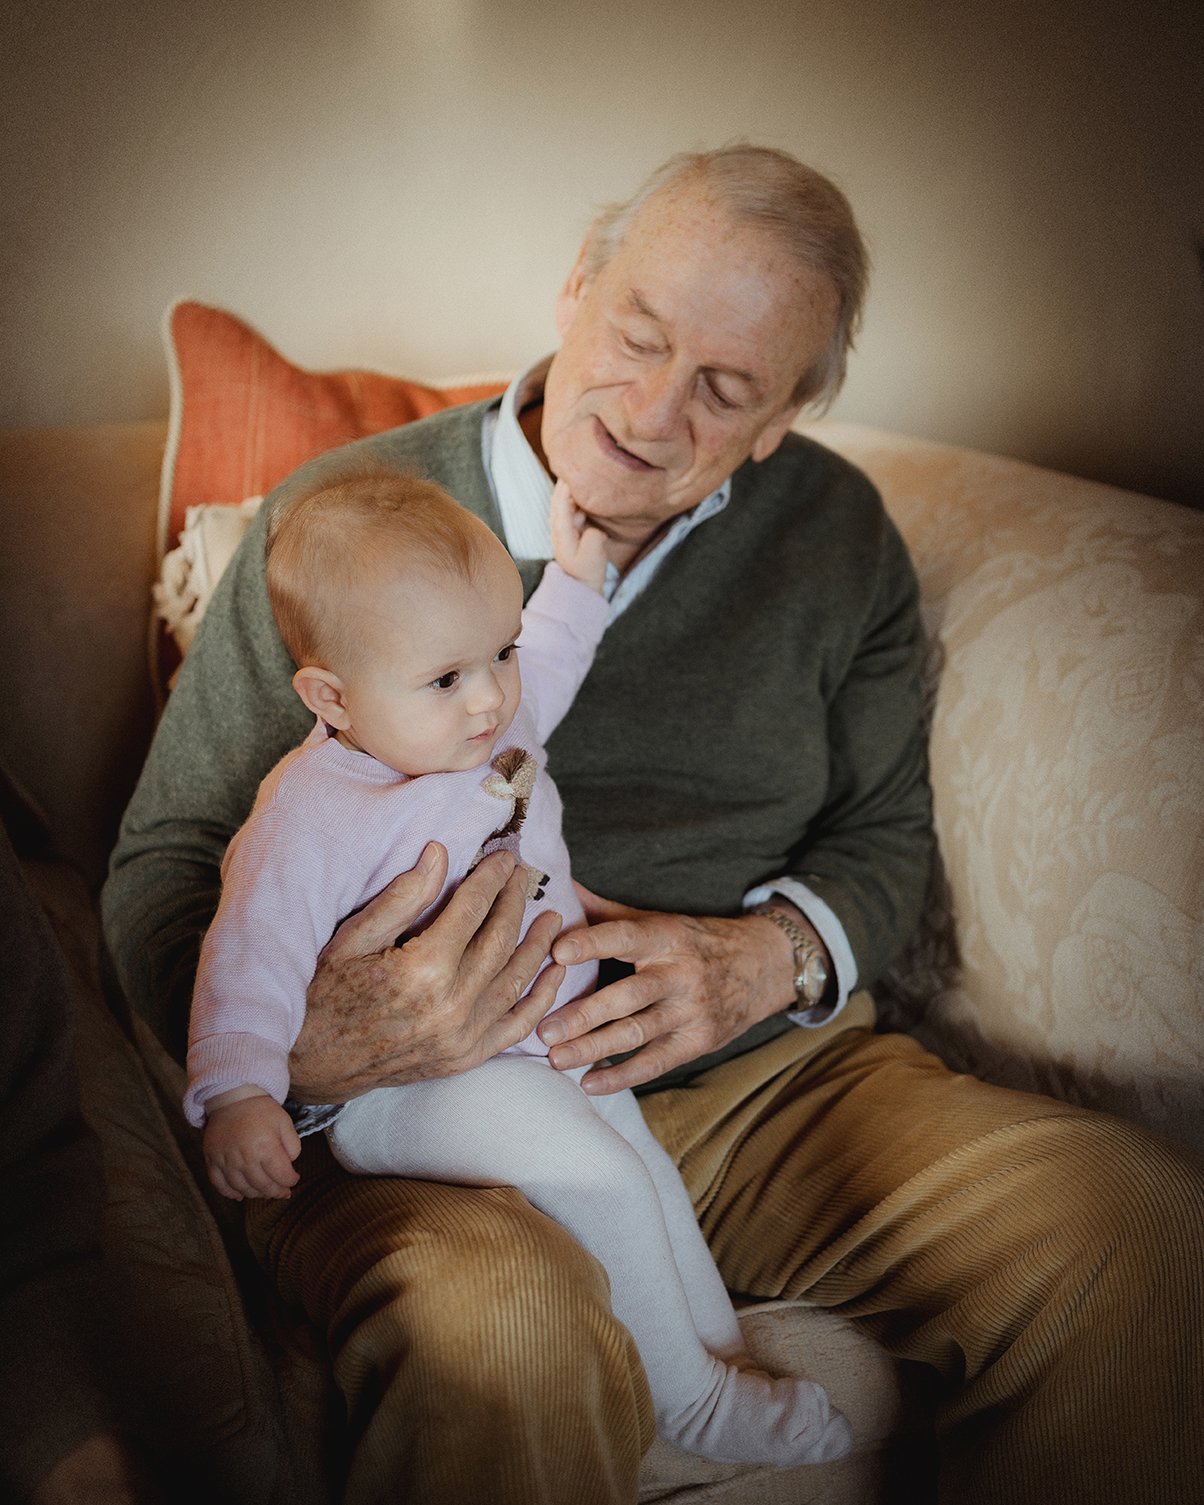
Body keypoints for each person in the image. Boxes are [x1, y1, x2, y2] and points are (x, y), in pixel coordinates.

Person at [102, 145, 1204, 1505]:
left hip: (756, 1086)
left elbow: (881, 846)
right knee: (501, 1338)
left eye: (727, 389)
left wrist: (767, 960)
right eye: (636, 336)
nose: (652, 406)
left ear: (784, 415)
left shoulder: (835, 536)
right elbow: (159, 867)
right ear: (575, 290)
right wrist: (327, 1046)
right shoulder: (338, 532)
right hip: (430, 1106)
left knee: (1133, 1230)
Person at [184, 467, 851, 1467]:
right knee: (604, 1179)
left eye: (495, 653)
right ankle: (698, 1402)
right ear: (332, 695)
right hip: (415, 1085)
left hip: (548, 1038)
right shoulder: (313, 813)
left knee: (646, 1175)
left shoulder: (486, 718)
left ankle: (714, 1355)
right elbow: (250, 952)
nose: (493, 694)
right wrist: (240, 1091)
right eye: (448, 675)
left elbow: (550, 654)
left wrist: (578, 577)